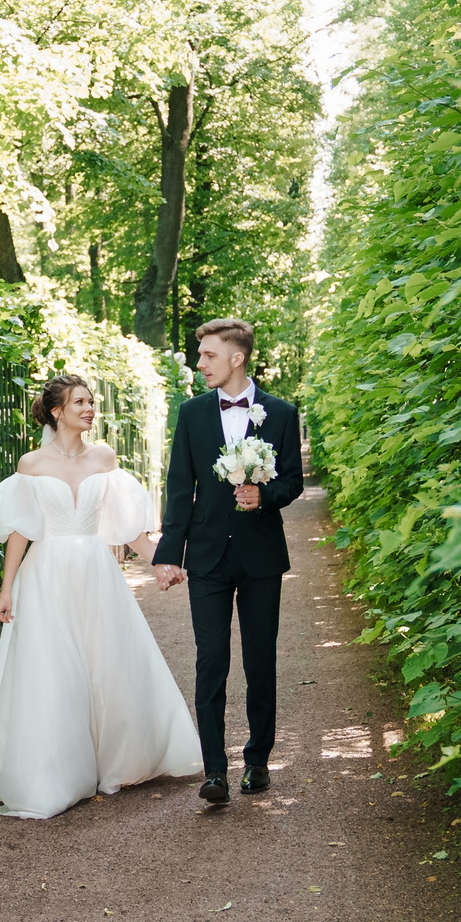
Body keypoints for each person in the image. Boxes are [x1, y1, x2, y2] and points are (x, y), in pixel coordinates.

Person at [0, 374, 205, 818]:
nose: (90, 409)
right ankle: (55, 774)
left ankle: (116, 761)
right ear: (57, 411)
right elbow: (20, 531)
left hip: (95, 572)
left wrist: (161, 563)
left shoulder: (104, 457)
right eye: (81, 402)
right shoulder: (31, 464)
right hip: (46, 574)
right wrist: (6, 588)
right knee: (53, 672)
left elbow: (127, 526)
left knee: (107, 663)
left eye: (92, 402)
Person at [151, 318, 305, 807]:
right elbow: (179, 488)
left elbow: (294, 483)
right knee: (210, 659)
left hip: (261, 556)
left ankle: (257, 761)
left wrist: (264, 495)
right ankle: (214, 770)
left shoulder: (280, 412)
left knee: (260, 661)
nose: (200, 364)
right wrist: (167, 555)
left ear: (237, 357)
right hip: (208, 555)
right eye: (200, 355)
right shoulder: (192, 413)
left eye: (208, 355)